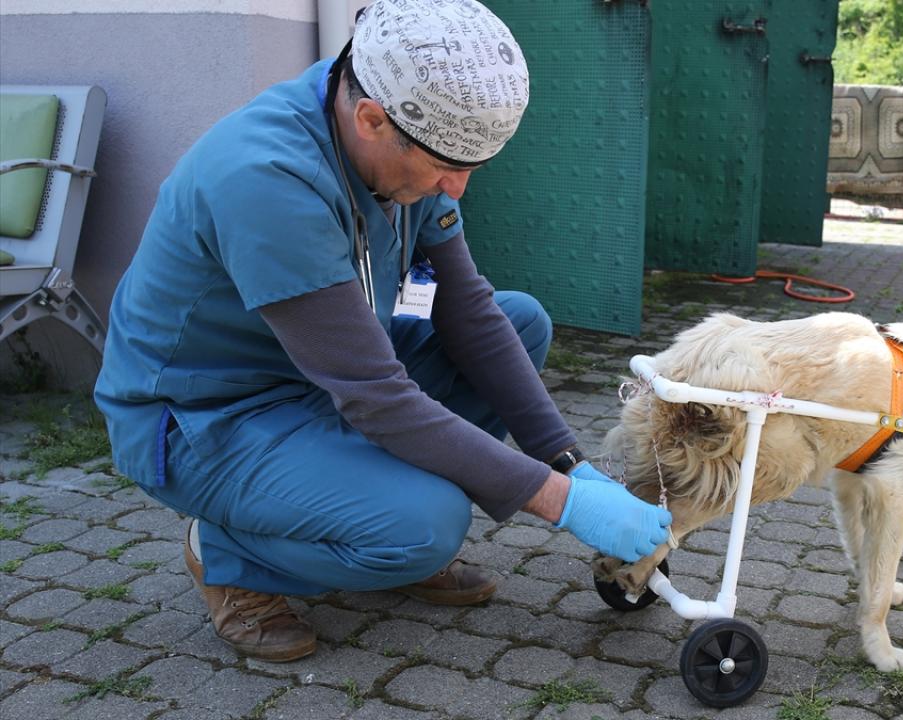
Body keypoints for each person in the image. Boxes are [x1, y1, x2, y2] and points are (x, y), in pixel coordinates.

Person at [93, 0, 670, 663]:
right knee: (425, 527)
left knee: (519, 321)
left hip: (318, 376)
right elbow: (376, 398)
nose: (457, 190)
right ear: (372, 120)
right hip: (207, 417)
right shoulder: (265, 181)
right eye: (448, 167)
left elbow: (470, 315)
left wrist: (570, 463)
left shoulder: (392, 129)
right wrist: (564, 504)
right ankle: (225, 554)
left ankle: (365, 519)